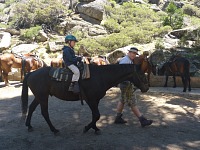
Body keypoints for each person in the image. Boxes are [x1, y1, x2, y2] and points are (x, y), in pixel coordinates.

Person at [114, 47, 153, 127]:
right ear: (129, 52)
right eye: (133, 53)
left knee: (122, 100)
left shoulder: (128, 60)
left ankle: (118, 117)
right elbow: (121, 73)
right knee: (132, 102)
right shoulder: (126, 61)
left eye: (135, 54)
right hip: (126, 84)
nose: (134, 55)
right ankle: (142, 120)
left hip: (125, 84)